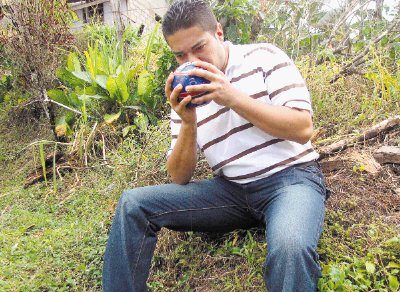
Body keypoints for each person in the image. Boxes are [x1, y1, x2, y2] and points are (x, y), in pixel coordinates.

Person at [102, 0, 329, 291]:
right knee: (133, 204)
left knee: (291, 246)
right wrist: (187, 122)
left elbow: (302, 128)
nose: (190, 61)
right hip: (231, 192)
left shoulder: (264, 56)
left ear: (219, 33)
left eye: (199, 47)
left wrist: (230, 96)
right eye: (180, 55)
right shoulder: (186, 92)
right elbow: (179, 177)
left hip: (290, 180)